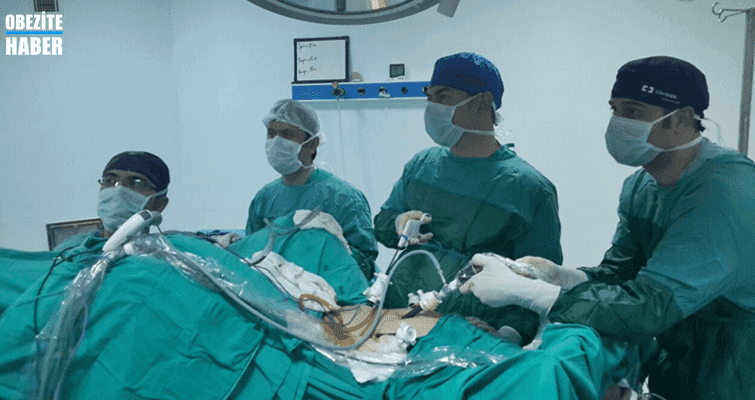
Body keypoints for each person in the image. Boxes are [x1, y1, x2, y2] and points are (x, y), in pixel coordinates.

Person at [0, 210, 635, 400]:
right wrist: (559, 300)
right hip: (164, 292)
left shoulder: (501, 370)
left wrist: (541, 299)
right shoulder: (309, 249)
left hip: (160, 315)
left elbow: (559, 368)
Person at [460, 56, 755, 399]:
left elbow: (649, 307)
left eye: (633, 111)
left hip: (735, 361)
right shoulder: (640, 186)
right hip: (681, 350)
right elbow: (622, 273)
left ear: (682, 118)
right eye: (615, 109)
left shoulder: (725, 193)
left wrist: (531, 294)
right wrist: (561, 276)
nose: (618, 122)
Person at [373, 52, 562, 346]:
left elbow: (535, 279)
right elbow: (383, 225)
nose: (432, 107)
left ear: (483, 103)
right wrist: (397, 224)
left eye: (444, 97)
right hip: (397, 320)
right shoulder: (422, 166)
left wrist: (507, 336)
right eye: (430, 97)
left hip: (474, 337)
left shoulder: (529, 188)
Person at [246, 99, 378, 279]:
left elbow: (364, 266)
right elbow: (252, 254)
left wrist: (332, 248)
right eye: (271, 133)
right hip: (273, 291)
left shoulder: (344, 198)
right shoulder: (265, 198)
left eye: (287, 134)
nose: (276, 141)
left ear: (312, 144)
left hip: (329, 291)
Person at [53, 151, 170, 250]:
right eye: (110, 181)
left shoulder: (167, 252)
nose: (118, 190)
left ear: (159, 205)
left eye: (136, 183)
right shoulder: (69, 250)